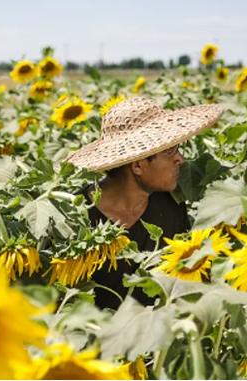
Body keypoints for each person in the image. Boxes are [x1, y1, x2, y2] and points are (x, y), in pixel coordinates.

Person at [66, 96, 224, 309]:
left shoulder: (171, 204)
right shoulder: (75, 217)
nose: (181, 159)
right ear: (138, 166)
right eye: (170, 152)